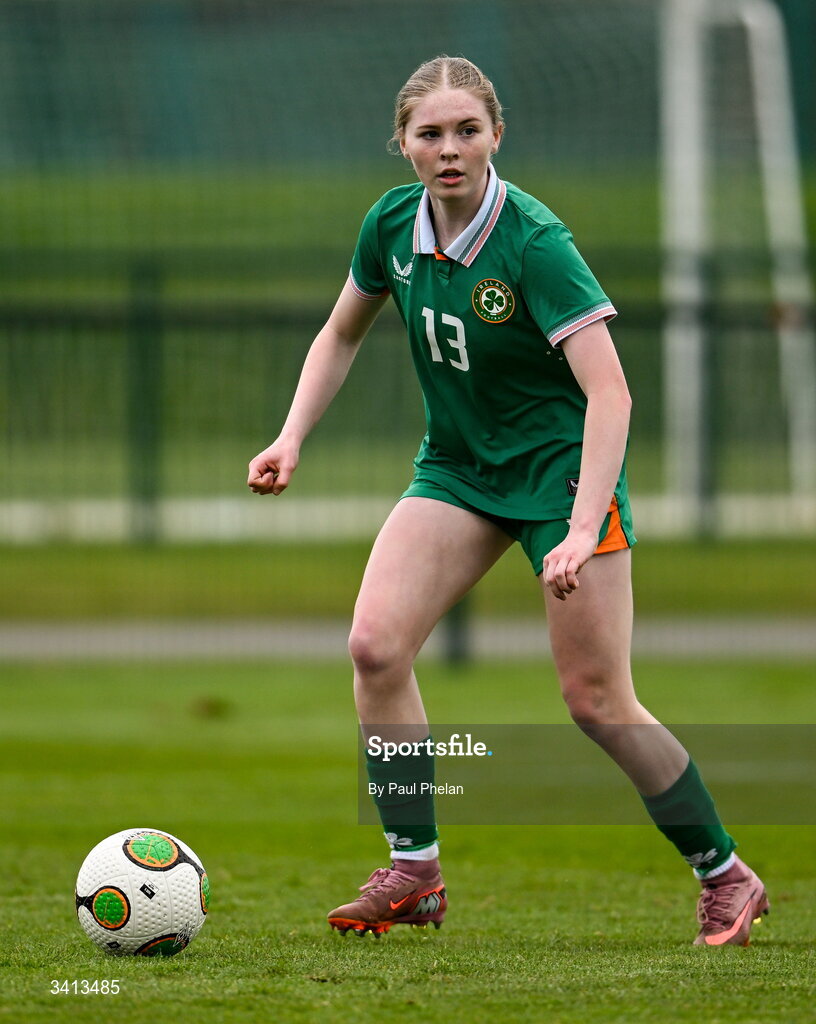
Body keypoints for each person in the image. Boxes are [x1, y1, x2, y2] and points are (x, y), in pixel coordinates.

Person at [248, 55, 768, 946]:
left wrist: (576, 527)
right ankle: (414, 872)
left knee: (597, 700)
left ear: (496, 134)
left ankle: (725, 874)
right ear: (403, 144)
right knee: (375, 648)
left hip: (564, 478)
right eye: (430, 134)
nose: (450, 150)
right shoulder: (389, 224)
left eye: (467, 130)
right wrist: (291, 435)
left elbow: (612, 396)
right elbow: (340, 334)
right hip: (456, 469)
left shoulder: (534, 243)